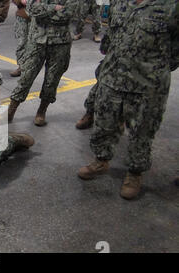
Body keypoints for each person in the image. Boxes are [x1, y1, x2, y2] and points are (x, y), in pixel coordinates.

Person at [78, 0, 178, 200]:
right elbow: (111, 36)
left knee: (142, 130)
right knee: (104, 123)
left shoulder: (171, 5)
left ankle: (134, 173)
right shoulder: (120, 2)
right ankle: (101, 160)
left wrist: (157, 68)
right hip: (113, 77)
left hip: (148, 84)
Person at [0, 0, 78, 126]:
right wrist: (55, 7)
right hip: (37, 40)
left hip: (61, 42)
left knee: (52, 80)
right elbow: (32, 9)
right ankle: (11, 110)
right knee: (26, 77)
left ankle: (41, 111)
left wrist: (44, 10)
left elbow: (69, 13)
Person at [10, 0, 31, 77]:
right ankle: (21, 67)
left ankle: (33, 64)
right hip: (22, 15)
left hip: (38, 15)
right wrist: (20, 1)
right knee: (22, 42)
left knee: (37, 42)